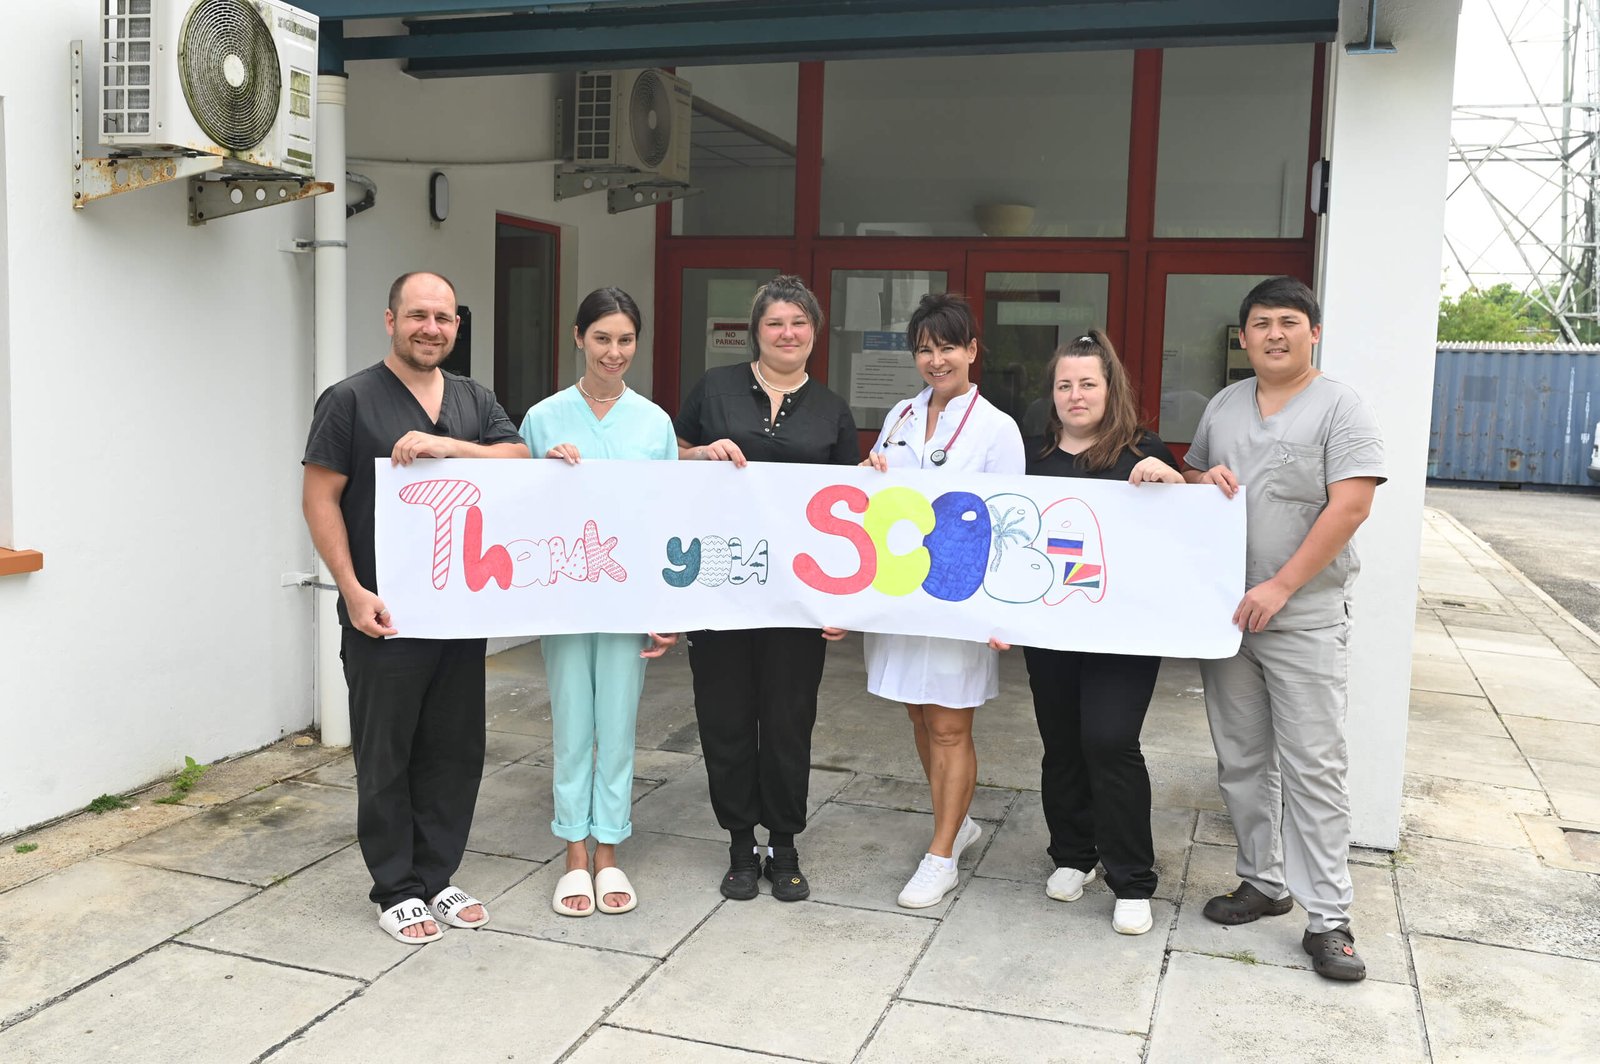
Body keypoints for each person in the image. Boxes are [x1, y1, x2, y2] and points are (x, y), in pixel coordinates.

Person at [302, 271, 529, 944]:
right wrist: (351, 590)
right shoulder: (350, 400)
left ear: (456, 325)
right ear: (391, 320)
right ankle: (396, 887)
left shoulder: (472, 398)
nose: (431, 328)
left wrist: (450, 446)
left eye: (443, 318)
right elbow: (319, 499)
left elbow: (518, 457)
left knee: (454, 751)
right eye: (418, 316)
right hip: (384, 615)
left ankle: (437, 874)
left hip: (458, 612)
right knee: (387, 753)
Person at [1183, 276, 1385, 981]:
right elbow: (1194, 482)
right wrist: (1194, 480)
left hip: (1303, 617)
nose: (1275, 334)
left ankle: (1329, 919)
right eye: (1262, 323)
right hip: (1228, 618)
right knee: (1241, 758)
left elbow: (1351, 506)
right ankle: (1263, 881)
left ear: (1313, 333)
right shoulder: (1224, 405)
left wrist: (1280, 586)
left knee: (1313, 765)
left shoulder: (1341, 407)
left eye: (1289, 321)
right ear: (1243, 337)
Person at [674, 275, 859, 902]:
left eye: (799, 323)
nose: (787, 333)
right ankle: (738, 844)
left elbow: (846, 509)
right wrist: (698, 455)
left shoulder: (833, 410)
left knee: (787, 720)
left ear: (815, 332)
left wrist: (840, 599)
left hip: (796, 595)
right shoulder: (714, 388)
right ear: (756, 330)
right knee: (724, 717)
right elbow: (668, 456)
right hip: (719, 583)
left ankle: (783, 843)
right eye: (775, 322)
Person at [1015, 329, 1184, 936]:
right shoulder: (1031, 456)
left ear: (1111, 390)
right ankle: (1073, 853)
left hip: (1125, 633)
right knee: (1061, 742)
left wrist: (1173, 481)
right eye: (1065, 385)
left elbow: (1185, 531)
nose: (1076, 395)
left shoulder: (1143, 452)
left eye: (1088, 383)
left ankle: (1131, 878)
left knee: (1110, 741)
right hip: (1051, 628)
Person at [519, 287, 679, 919]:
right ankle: (572, 852)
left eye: (626, 340)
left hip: (626, 598)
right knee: (571, 724)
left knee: (616, 725)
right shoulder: (543, 418)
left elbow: (666, 519)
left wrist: (664, 606)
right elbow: (515, 507)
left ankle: (608, 849)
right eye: (602, 338)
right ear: (578, 337)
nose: (614, 351)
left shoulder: (654, 423)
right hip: (563, 596)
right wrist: (544, 468)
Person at [861, 292, 1025, 909]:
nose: (936, 360)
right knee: (918, 714)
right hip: (904, 592)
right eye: (925, 349)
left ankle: (941, 853)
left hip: (961, 596)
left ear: (972, 350)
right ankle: (958, 822)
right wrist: (870, 471)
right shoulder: (901, 414)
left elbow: (1010, 520)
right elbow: (881, 496)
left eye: (948, 347)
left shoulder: (997, 428)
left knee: (951, 724)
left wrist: (1001, 613)